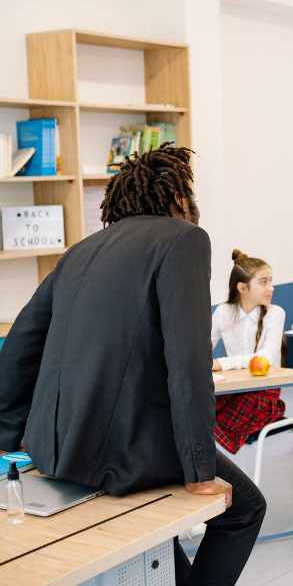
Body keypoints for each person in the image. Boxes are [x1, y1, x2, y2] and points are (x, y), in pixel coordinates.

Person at [0, 145, 265, 586]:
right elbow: (188, 361)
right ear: (177, 198)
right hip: (124, 454)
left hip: (54, 452)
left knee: (154, 541)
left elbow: (18, 349)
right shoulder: (183, 239)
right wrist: (200, 471)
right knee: (246, 508)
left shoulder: (81, 251)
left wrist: (7, 444)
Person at [212, 249, 286, 454]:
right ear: (242, 288)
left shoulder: (275, 313)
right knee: (195, 409)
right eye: (264, 282)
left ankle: (222, 473)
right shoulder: (223, 312)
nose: (271, 288)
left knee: (212, 422)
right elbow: (202, 346)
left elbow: (265, 358)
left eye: (271, 281)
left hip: (263, 392)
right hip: (232, 388)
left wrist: (222, 363)